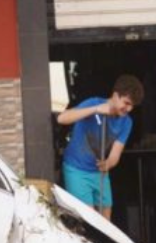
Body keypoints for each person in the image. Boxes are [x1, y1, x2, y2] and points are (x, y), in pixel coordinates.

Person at [57, 75, 144, 220]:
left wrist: (108, 163)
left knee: (105, 218)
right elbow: (62, 118)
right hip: (77, 169)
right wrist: (96, 109)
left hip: (99, 172)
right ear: (116, 95)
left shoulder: (126, 122)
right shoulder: (93, 103)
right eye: (126, 103)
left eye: (132, 106)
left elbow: (116, 153)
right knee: (89, 219)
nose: (128, 109)